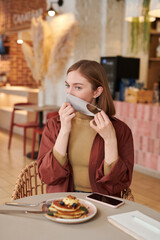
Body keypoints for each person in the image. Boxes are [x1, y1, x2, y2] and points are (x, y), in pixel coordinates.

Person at [37, 59, 134, 197]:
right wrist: (64, 130)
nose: (69, 93)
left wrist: (110, 139)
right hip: (61, 201)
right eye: (67, 85)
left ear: (97, 92)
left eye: (78, 87)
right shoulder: (54, 125)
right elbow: (47, 176)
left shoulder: (120, 130)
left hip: (101, 201)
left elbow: (117, 183)